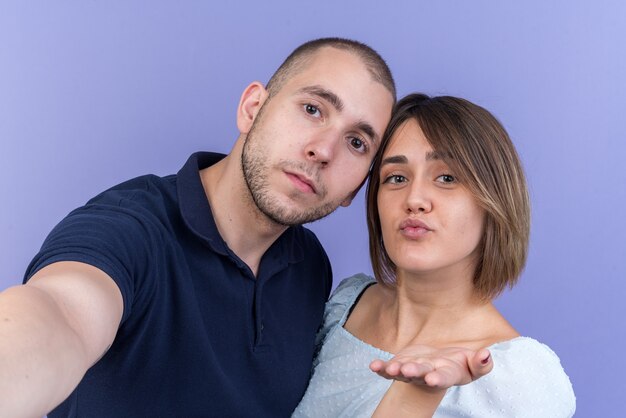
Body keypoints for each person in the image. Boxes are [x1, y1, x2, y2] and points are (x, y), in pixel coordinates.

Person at [0, 38, 398, 417]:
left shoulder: (310, 266)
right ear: (252, 107)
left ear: (357, 187)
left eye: (357, 143)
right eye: (313, 109)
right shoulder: (132, 229)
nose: (323, 150)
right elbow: (61, 313)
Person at [293, 93, 576, 417]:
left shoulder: (521, 381)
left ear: (494, 200)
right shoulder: (348, 303)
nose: (414, 199)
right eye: (396, 178)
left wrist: (416, 397)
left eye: (447, 178)